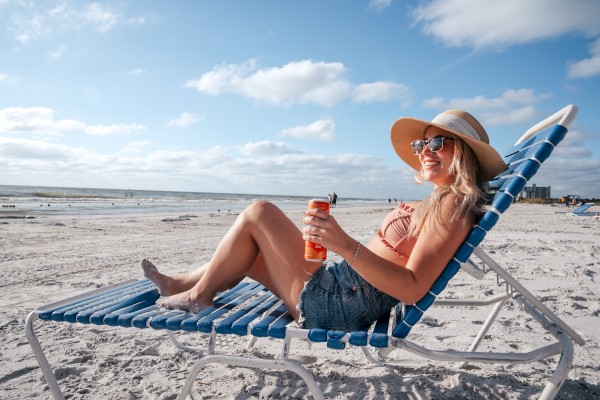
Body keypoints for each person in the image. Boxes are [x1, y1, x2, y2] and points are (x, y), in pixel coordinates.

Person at [142, 109, 507, 331]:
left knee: (260, 212)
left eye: (437, 143)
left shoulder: (453, 205)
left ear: (462, 152)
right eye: (420, 145)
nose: (425, 151)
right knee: (251, 250)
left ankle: (198, 296)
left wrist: (344, 245)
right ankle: (179, 284)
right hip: (342, 290)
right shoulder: (442, 201)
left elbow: (412, 288)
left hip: (337, 304)